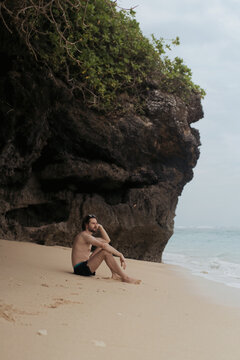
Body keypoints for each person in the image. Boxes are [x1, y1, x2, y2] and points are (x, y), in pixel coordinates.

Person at [71, 214, 141, 284]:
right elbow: (104, 246)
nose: (96, 225)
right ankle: (125, 277)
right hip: (80, 269)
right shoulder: (85, 236)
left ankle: (115, 274)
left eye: (96, 223)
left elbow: (107, 240)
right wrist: (120, 255)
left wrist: (101, 228)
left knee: (105, 247)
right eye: (93, 223)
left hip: (85, 264)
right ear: (86, 225)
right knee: (105, 251)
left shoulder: (88, 236)